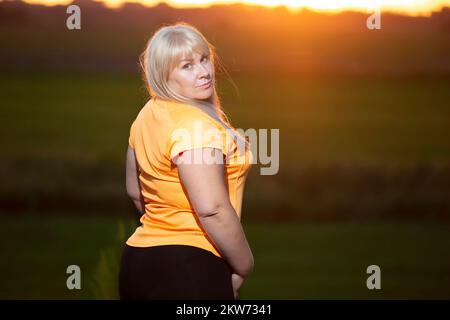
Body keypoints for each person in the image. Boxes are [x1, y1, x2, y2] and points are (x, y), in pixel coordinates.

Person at [119, 22, 254, 300]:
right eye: (187, 66)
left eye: (204, 59)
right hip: (190, 269)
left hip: (137, 263)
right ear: (163, 75)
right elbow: (212, 208)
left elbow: (135, 191)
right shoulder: (195, 126)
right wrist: (243, 266)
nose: (204, 72)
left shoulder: (148, 114)